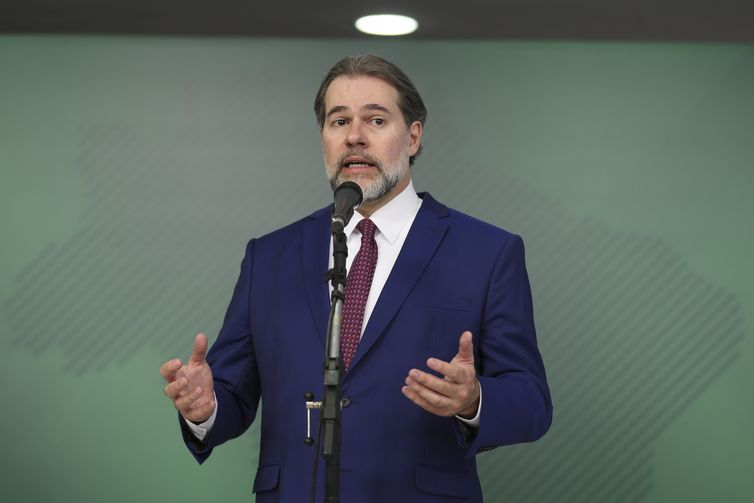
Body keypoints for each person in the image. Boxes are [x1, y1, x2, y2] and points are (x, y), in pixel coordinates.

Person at [160, 54, 552, 502]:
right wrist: (205, 408)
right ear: (323, 138)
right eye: (338, 120)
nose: (354, 137)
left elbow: (532, 402)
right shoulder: (269, 257)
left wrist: (474, 400)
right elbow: (231, 395)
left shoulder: (487, 252)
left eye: (377, 120)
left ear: (413, 137)